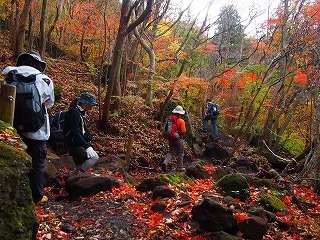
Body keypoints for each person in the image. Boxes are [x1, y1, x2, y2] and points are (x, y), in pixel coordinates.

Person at [2, 50, 55, 203]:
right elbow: (49, 103)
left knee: (12, 162)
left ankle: (13, 197)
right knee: (38, 163)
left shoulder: (8, 75)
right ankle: (36, 197)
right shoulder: (45, 80)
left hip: (10, 129)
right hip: (37, 131)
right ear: (37, 64)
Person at [63, 91, 99, 176]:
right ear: (84, 104)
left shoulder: (80, 113)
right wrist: (87, 147)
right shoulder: (75, 113)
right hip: (73, 144)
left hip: (76, 142)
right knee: (94, 157)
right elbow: (76, 132)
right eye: (90, 105)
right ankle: (79, 175)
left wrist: (88, 137)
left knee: (79, 164)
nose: (91, 107)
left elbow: (82, 129)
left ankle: (73, 178)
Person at [161, 105, 187, 173]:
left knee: (171, 152)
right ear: (180, 113)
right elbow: (184, 131)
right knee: (181, 152)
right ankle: (180, 167)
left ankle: (165, 163)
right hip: (177, 138)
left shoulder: (170, 120)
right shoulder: (181, 121)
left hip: (170, 138)